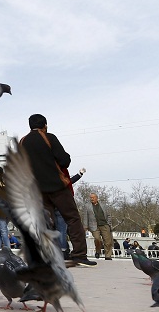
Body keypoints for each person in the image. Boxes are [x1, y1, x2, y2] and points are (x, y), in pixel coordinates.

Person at [19, 114, 95, 266]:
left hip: (37, 190)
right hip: (57, 186)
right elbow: (64, 161)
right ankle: (79, 254)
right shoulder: (49, 138)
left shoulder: (23, 142)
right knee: (72, 218)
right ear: (45, 125)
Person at [83, 193, 114, 260]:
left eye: (93, 197)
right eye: (91, 197)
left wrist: (109, 224)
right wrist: (85, 226)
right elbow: (85, 217)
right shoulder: (87, 206)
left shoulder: (103, 205)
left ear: (97, 198)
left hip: (104, 225)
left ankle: (108, 256)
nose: (92, 199)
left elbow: (109, 215)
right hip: (94, 226)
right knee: (97, 239)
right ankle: (98, 251)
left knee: (108, 241)